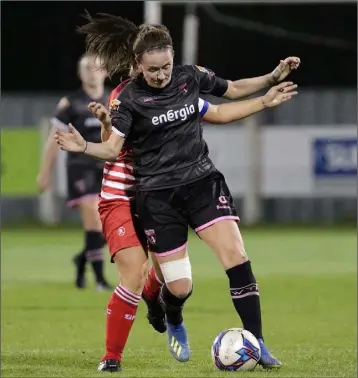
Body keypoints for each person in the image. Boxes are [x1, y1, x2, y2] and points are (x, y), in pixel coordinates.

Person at [56, 13, 300, 371]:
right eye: (153, 69)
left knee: (236, 255)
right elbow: (112, 150)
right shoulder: (127, 98)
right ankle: (171, 311)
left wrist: (270, 82)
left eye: (166, 66)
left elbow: (229, 91)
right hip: (158, 196)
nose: (161, 74)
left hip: (202, 182)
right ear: (139, 65)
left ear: (173, 58)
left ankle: (258, 343)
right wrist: (85, 146)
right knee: (181, 285)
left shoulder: (189, 76)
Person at [36, 54, 112, 291]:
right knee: (93, 216)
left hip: (108, 167)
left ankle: (82, 259)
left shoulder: (114, 99)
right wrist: (45, 172)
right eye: (87, 68)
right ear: (80, 74)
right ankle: (100, 280)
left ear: (105, 71)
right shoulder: (70, 103)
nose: (92, 72)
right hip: (81, 168)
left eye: (97, 67)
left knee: (111, 227)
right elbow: (53, 139)